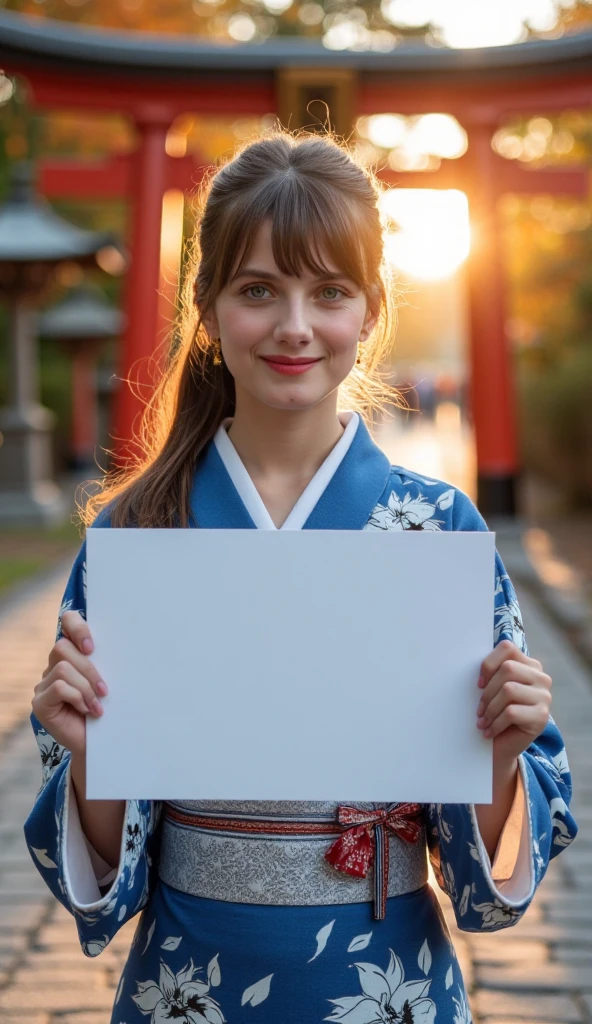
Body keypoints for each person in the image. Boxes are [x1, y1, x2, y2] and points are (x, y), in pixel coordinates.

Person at [25, 131, 577, 1024]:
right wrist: (93, 759)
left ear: (370, 310)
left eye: (328, 291)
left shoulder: (436, 530)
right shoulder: (139, 531)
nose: (293, 325)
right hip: (188, 984)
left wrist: (503, 755)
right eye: (256, 290)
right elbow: (101, 885)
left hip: (384, 982)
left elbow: (486, 895)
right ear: (206, 307)